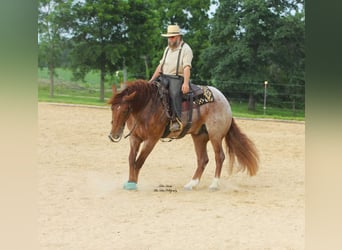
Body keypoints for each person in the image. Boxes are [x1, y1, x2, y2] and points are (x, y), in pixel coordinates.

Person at [149, 24, 193, 132]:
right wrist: (151, 80)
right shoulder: (167, 49)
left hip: (177, 78)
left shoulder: (186, 49)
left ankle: (176, 120)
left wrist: (186, 83)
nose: (170, 39)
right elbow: (161, 66)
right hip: (164, 76)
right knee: (151, 90)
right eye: (169, 37)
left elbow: (187, 67)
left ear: (178, 37)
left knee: (174, 93)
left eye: (172, 37)